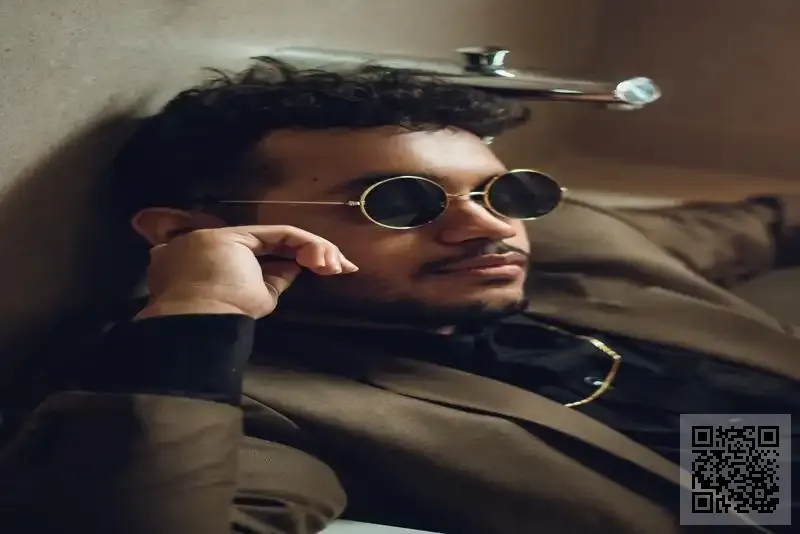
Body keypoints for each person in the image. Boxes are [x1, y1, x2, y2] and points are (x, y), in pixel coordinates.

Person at [0, 62, 797, 534]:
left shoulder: (567, 243)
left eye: (502, 191)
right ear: (195, 232)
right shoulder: (273, 409)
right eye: (401, 202)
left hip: (749, 441)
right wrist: (196, 316)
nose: (487, 225)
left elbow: (761, 223)